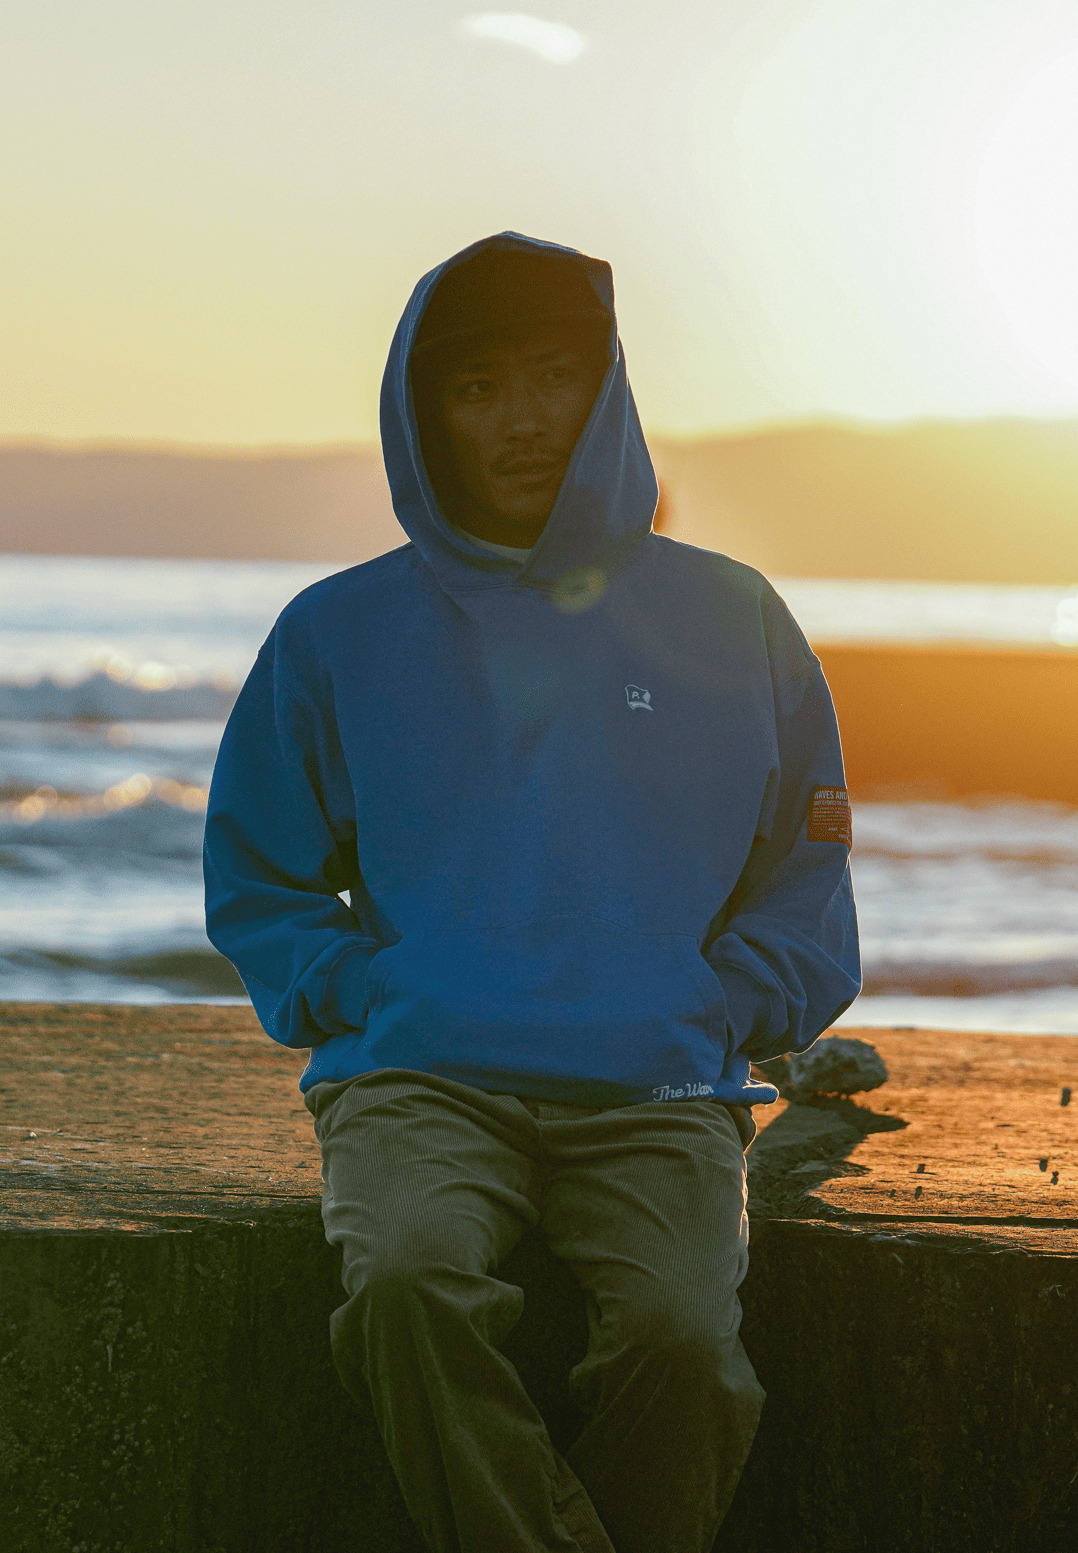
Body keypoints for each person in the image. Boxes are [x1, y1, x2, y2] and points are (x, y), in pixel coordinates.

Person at [203, 232, 861, 1553]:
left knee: (684, 1340)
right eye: (477, 386)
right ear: (424, 412)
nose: (520, 419)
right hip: (420, 1079)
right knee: (406, 1289)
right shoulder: (336, 633)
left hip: (659, 1087)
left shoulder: (732, 617)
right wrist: (367, 990)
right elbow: (262, 875)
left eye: (556, 376)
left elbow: (803, 878)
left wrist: (715, 1002)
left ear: (606, 386)